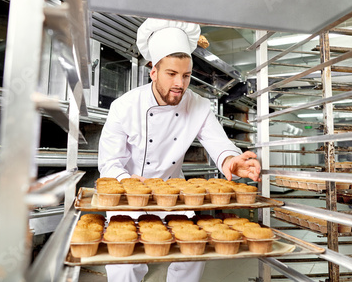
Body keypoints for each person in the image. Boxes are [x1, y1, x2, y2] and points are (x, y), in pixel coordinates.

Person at [98, 18, 261, 282]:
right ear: (153, 72)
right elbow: (109, 163)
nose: (180, 83)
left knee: (191, 257)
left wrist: (231, 161)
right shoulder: (124, 106)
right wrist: (128, 182)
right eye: (171, 74)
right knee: (125, 268)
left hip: (175, 196)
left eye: (186, 75)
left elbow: (218, 143)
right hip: (128, 196)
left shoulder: (198, 105)